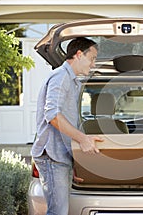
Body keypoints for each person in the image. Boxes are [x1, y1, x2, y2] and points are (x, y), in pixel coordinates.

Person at [31, 37, 104, 215]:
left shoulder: (73, 81)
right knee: (58, 212)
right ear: (79, 55)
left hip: (61, 155)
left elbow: (71, 123)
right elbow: (52, 115)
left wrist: (75, 161)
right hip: (52, 155)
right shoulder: (61, 76)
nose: (93, 64)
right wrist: (83, 139)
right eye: (92, 58)